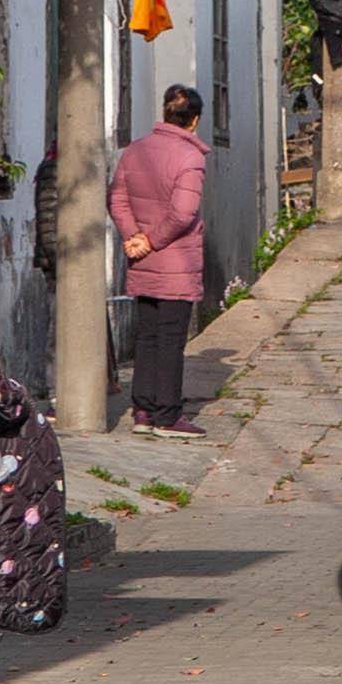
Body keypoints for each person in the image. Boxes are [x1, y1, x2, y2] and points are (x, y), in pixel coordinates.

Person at [110, 82, 213, 433]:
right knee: (170, 338)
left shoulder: (134, 151)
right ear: (194, 121)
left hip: (142, 257)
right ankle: (167, 415)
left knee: (147, 335)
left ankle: (142, 410)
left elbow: (117, 200)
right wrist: (151, 241)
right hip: (174, 260)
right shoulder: (190, 157)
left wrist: (133, 238)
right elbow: (183, 214)